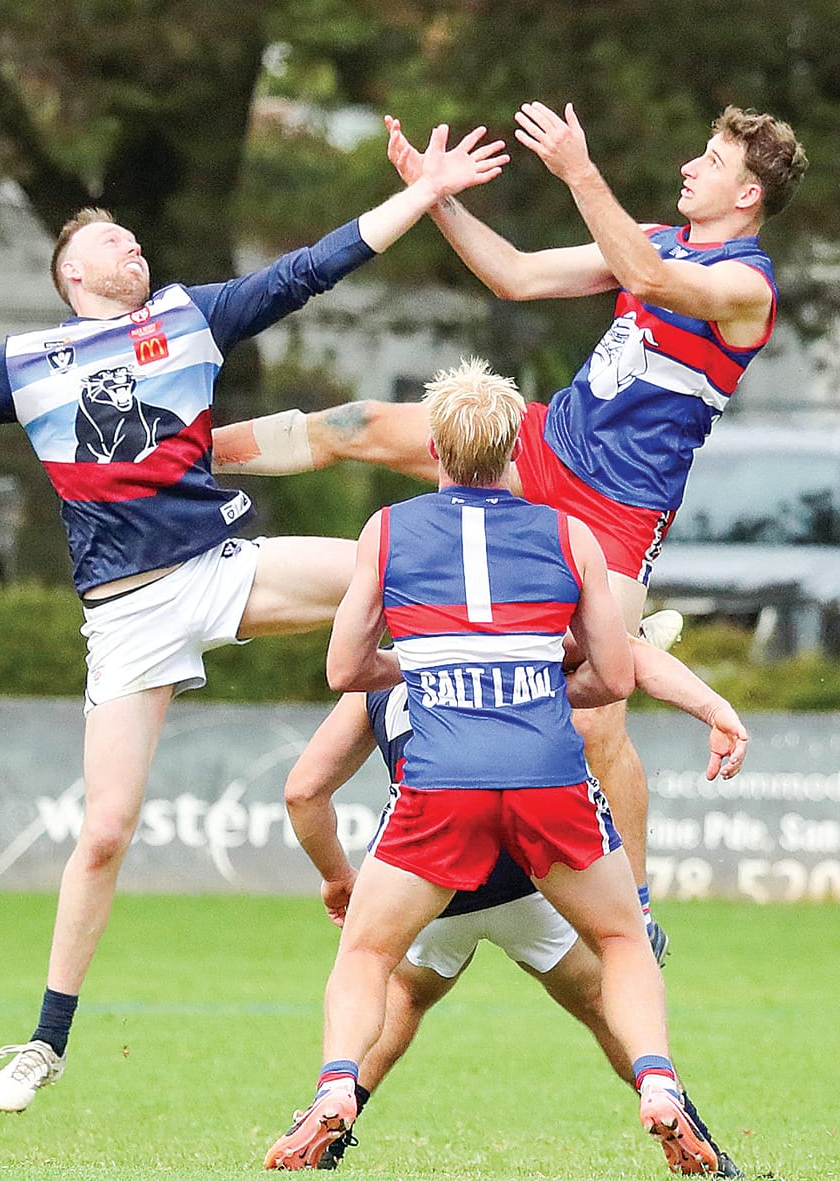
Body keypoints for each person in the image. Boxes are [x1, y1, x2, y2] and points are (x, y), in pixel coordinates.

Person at [0, 124, 509, 1112]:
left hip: (218, 567)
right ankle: (45, 1041)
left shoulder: (191, 317)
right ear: (69, 274)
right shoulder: (26, 361)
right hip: (127, 616)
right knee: (103, 831)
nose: (129, 247)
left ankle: (557, 662)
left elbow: (315, 265)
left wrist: (425, 192)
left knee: (390, 561)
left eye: (134, 240)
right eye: (108, 241)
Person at [214, 103, 808, 962]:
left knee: (602, 713)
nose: (691, 165)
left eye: (711, 159)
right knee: (357, 423)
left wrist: (579, 170)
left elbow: (645, 280)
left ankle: (633, 912)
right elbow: (518, 275)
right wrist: (434, 195)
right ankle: (187, 460)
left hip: (617, 509)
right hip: (543, 445)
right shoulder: (655, 238)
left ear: (747, 192)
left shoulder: (747, 286)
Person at [264, 361, 721, 1174]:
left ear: (435, 448)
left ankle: (337, 1086)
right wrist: (546, 678)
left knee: (368, 958)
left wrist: (428, 667)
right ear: (516, 447)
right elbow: (617, 675)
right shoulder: (568, 533)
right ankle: (658, 1084)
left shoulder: (390, 531)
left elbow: (344, 667)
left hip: (444, 785)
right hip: (547, 774)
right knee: (622, 938)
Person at [282, 636, 750, 1175]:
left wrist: (337, 877)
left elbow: (303, 792)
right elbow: (629, 664)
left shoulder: (392, 657)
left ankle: (338, 1094)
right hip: (531, 871)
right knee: (612, 978)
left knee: (399, 989)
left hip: (434, 860)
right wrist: (713, 708)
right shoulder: (527, 623)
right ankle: (673, 1103)